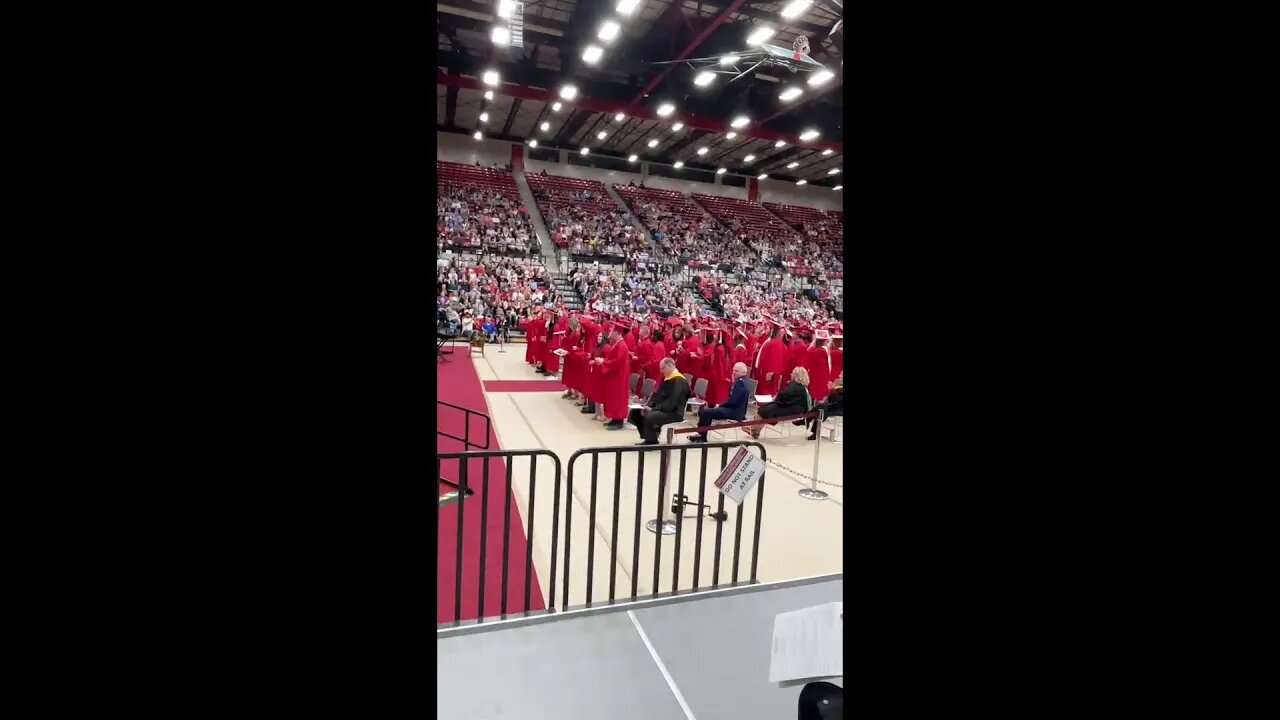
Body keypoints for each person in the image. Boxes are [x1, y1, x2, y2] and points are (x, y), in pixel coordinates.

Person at [629, 358, 690, 446]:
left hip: (674, 412)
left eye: (663, 368)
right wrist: (649, 406)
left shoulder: (678, 381)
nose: (661, 371)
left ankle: (651, 440)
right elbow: (657, 395)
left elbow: (672, 402)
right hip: (663, 409)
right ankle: (651, 436)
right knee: (635, 413)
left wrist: (653, 409)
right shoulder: (668, 378)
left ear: (670, 366)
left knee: (649, 416)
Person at [688, 362, 751, 443]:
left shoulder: (741, 383)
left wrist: (720, 406)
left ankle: (702, 436)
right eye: (733, 370)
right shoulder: (741, 381)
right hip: (732, 408)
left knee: (706, 412)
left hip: (735, 411)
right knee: (706, 411)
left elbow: (733, 401)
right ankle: (700, 434)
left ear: (743, 372)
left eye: (737, 371)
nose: (734, 373)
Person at [747, 366, 812, 438]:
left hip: (790, 409)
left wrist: (778, 393)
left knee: (765, 410)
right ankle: (755, 431)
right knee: (767, 408)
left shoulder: (794, 385)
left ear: (797, 376)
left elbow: (783, 396)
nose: (790, 374)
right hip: (794, 409)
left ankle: (752, 428)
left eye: (792, 373)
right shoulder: (802, 387)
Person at [596, 319, 633, 430]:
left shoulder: (621, 346)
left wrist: (603, 362)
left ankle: (619, 421)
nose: (610, 331)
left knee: (617, 399)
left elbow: (617, 362)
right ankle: (614, 419)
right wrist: (604, 360)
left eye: (612, 330)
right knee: (613, 398)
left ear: (617, 332)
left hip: (619, 377)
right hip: (615, 377)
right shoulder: (617, 344)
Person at [752, 322, 788, 396]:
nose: (767, 330)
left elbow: (774, 358)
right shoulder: (772, 341)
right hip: (764, 371)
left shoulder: (776, 343)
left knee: (766, 393)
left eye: (770, 329)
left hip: (768, 374)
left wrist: (771, 372)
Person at [808, 372, 843, 441]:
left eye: (841, 375)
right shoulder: (839, 385)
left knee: (822, 409)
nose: (839, 375)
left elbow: (838, 400)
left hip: (840, 409)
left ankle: (807, 420)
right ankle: (809, 423)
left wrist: (832, 390)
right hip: (835, 406)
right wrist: (826, 399)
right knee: (821, 407)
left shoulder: (840, 387)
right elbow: (833, 400)